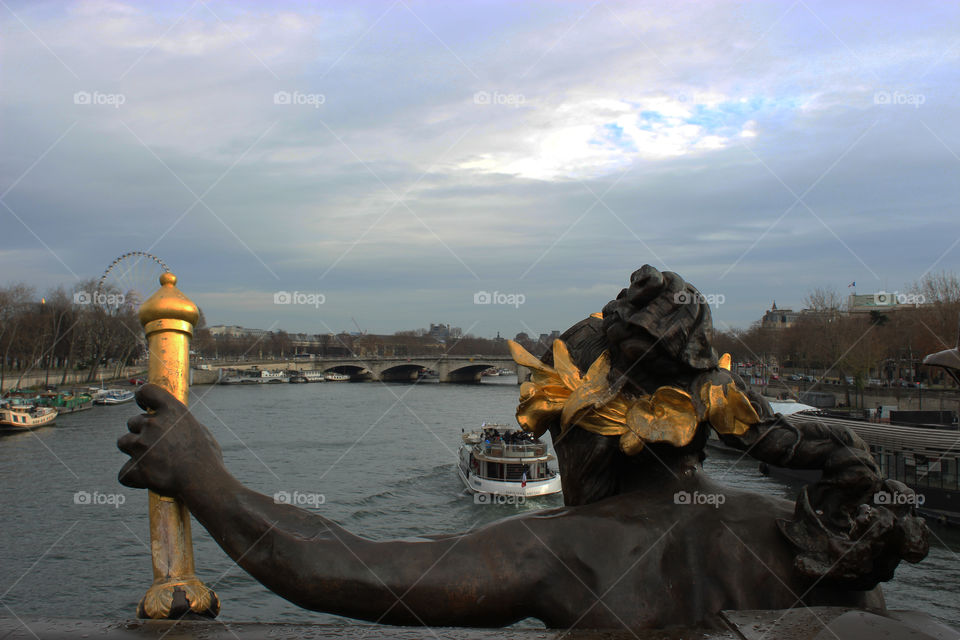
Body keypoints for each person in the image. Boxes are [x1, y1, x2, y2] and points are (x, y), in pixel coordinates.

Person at [118, 265, 927, 630]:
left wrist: (201, 475)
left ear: (582, 429)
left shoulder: (570, 549)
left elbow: (345, 569)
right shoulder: (812, 535)